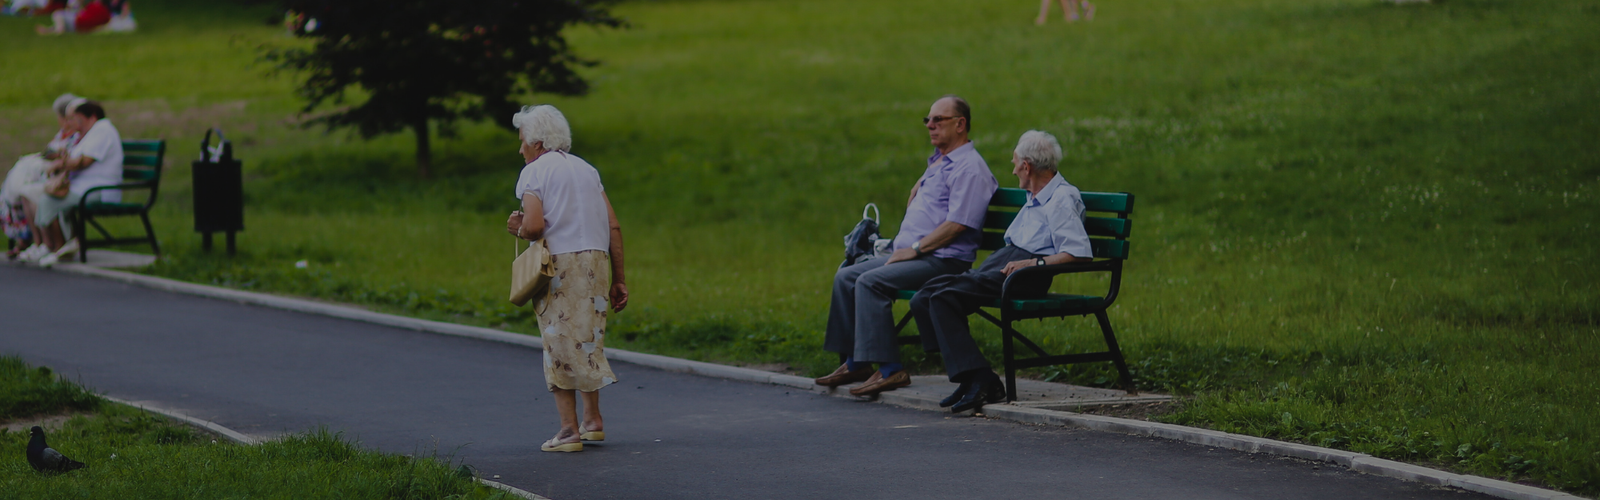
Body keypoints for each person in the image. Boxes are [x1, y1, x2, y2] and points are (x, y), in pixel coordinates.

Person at [814, 95, 998, 397]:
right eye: (927, 120)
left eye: (938, 120)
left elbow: (959, 225)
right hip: (918, 254)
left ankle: (890, 370)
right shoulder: (941, 162)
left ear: (960, 124)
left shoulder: (970, 169)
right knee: (846, 274)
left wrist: (915, 249)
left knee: (870, 282)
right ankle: (856, 362)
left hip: (942, 260)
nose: (930, 125)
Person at [910, 130, 1094, 413]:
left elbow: (1078, 253)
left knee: (944, 297)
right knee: (925, 295)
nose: (1012, 169)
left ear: (1027, 166)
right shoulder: (1037, 195)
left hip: (1025, 275)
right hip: (1007, 264)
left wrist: (1033, 263)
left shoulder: (1061, 198)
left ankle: (981, 379)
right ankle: (971, 376)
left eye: (1015, 163)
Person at [503, 104, 629, 453]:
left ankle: (568, 431)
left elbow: (534, 225)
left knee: (557, 343)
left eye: (522, 141)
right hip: (596, 261)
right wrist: (620, 279)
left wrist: (518, 227)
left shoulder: (534, 172)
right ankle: (593, 422)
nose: (520, 149)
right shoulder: (588, 170)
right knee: (587, 340)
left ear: (537, 142)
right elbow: (613, 226)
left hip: (560, 264)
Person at [16, 99, 122, 267]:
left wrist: (62, 163)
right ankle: (60, 245)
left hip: (98, 189)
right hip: (83, 186)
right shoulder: (89, 133)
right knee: (44, 195)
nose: (75, 124)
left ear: (92, 117)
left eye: (78, 119)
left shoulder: (103, 130)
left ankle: (59, 246)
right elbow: (73, 159)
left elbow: (84, 161)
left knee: (48, 200)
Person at [4, 93, 81, 260]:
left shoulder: (79, 135)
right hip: (56, 178)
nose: (66, 122)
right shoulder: (64, 134)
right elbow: (50, 154)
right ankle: (38, 243)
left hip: (67, 183)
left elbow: (70, 159)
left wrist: (55, 162)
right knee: (24, 190)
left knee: (35, 193)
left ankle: (49, 244)